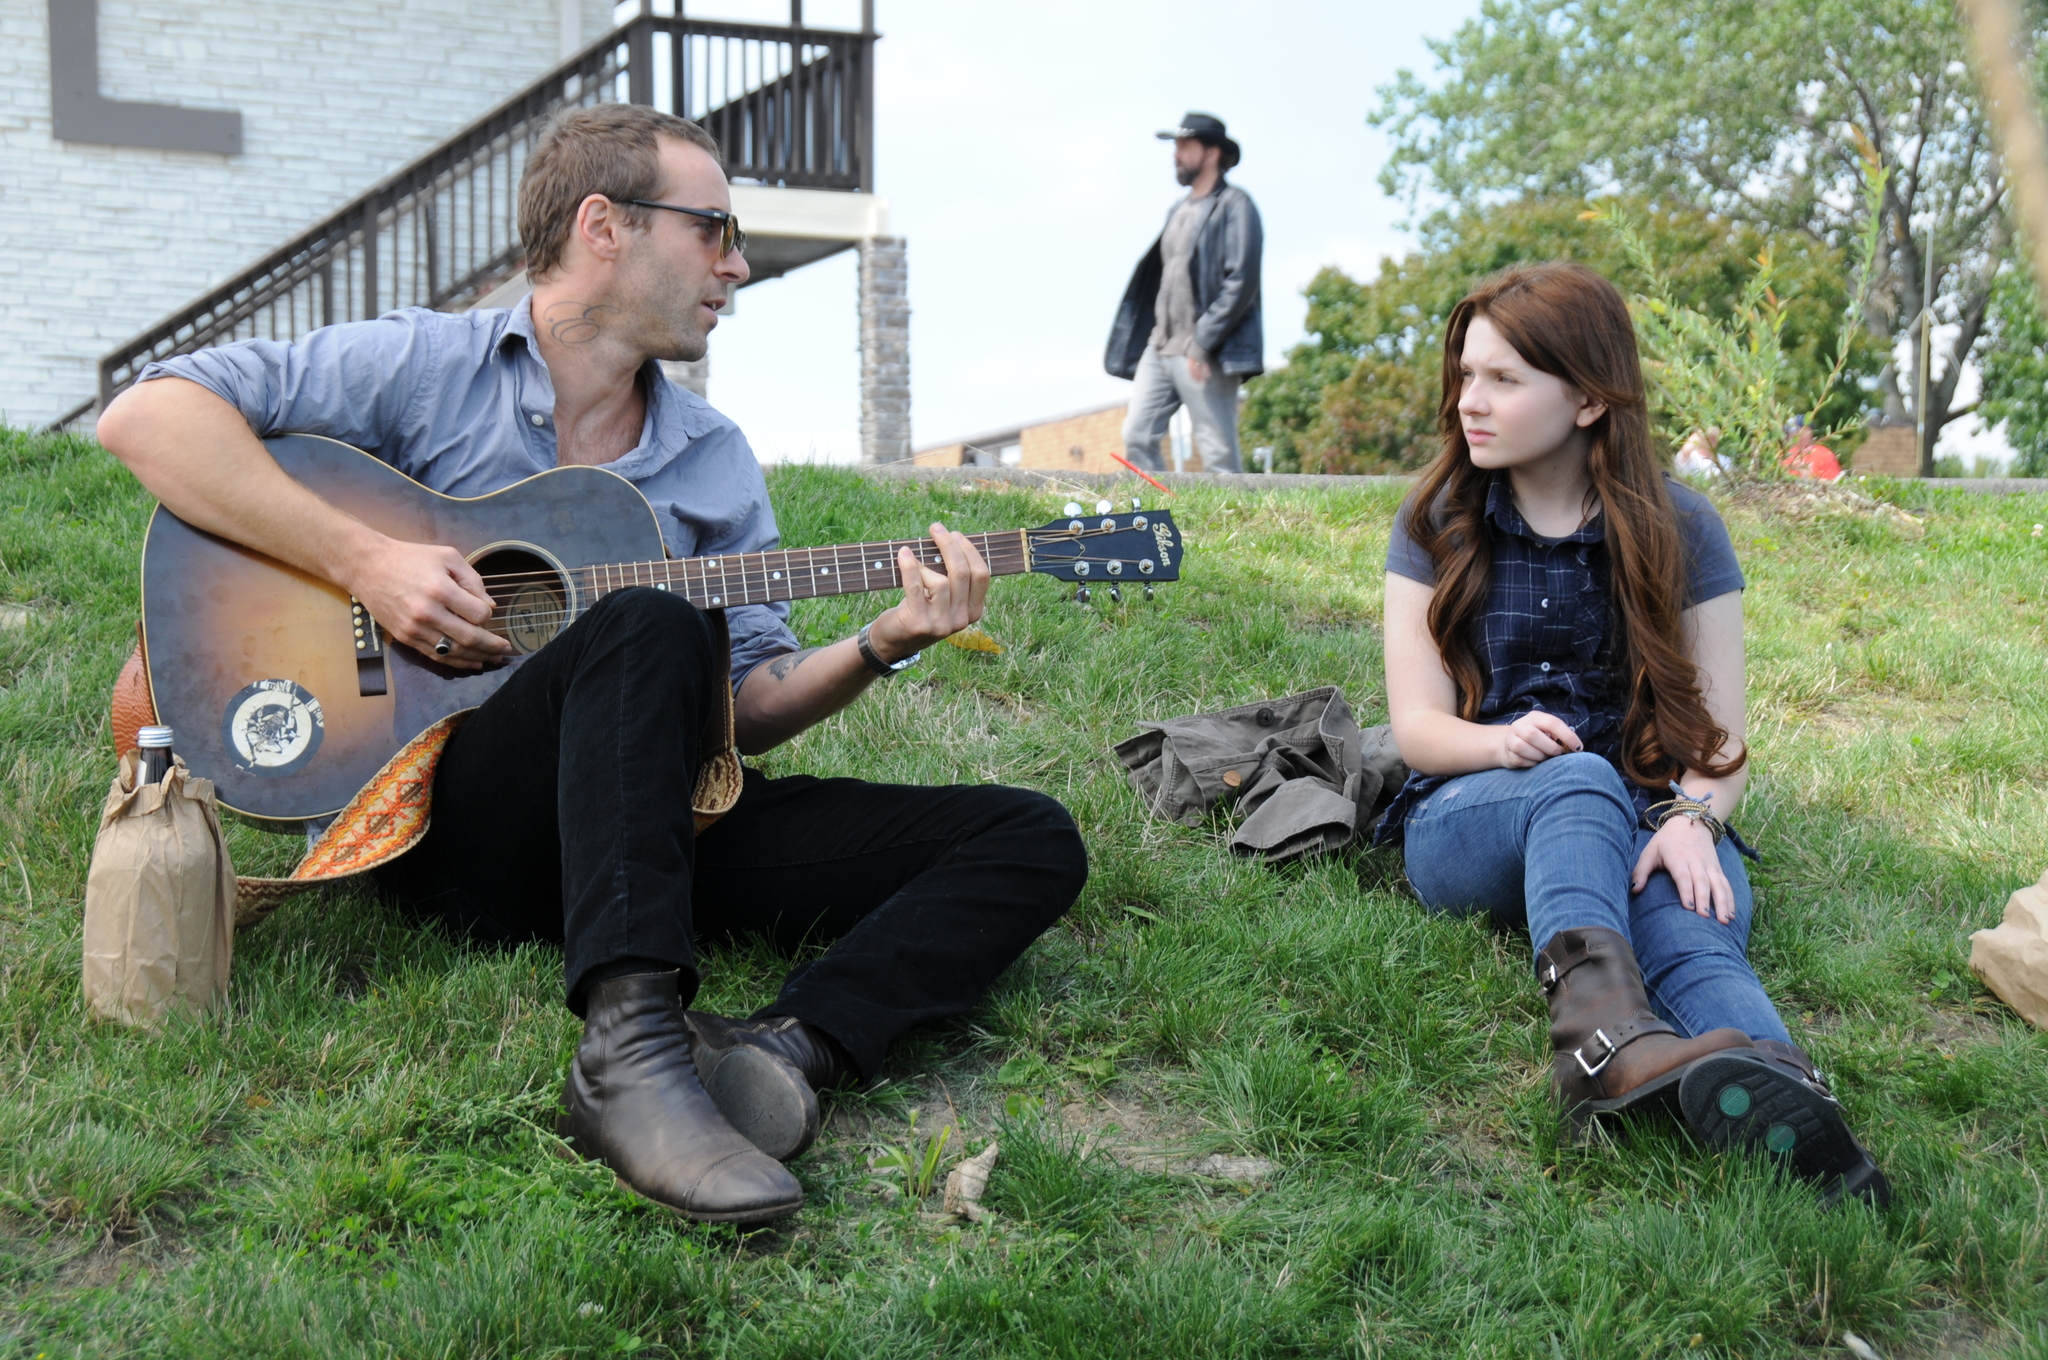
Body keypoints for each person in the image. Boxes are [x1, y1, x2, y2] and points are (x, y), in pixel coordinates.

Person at [96, 104, 1088, 1226]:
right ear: (604, 225)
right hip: (459, 831)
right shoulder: (426, 366)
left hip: (647, 837)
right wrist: (370, 562)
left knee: (1026, 835)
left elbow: (750, 711)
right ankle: (629, 1047)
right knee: (650, 616)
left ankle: (785, 1049)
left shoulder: (709, 457)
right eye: (712, 228)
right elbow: (148, 418)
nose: (737, 263)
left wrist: (879, 644)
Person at [1375, 262, 1889, 1205]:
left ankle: (1801, 1118)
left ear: (1584, 401)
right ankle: (1601, 1042)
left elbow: (1720, 744)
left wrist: (1694, 819)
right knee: (1579, 782)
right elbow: (1417, 731)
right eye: (1466, 375)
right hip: (1471, 815)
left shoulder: (1683, 528)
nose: (1469, 401)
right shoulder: (1435, 521)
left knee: (1688, 923)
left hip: (1651, 811)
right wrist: (1502, 746)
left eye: (1502, 379)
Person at [1104, 112, 1263, 473]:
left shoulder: (1236, 206)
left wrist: (1202, 343)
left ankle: (1233, 521)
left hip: (1204, 350)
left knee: (1217, 451)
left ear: (1210, 153)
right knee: (1137, 435)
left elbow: (1242, 281)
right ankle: (1152, 517)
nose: (1176, 154)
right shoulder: (1177, 210)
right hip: (1159, 347)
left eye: (1184, 146)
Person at [1780, 415, 1843, 481]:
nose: (1791, 435)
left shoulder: (1823, 454)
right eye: (1789, 432)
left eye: (1796, 431)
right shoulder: (1784, 455)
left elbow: (1833, 482)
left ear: (1809, 432)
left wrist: (1810, 477)